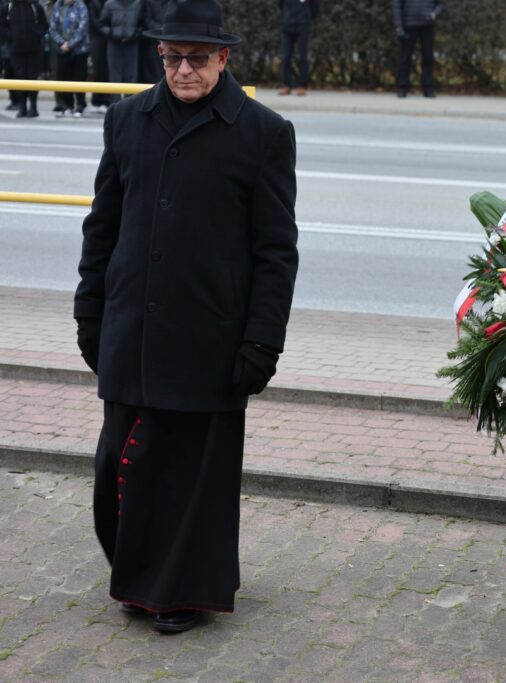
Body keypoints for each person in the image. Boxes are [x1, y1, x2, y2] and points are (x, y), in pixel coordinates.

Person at [74, 0, 299, 634]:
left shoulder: (262, 133)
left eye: (197, 59)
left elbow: (276, 253)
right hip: (130, 330)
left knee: (188, 481)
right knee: (120, 467)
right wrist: (88, 311)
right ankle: (138, 579)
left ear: (224, 59)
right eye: (172, 58)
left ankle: (180, 594)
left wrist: (262, 343)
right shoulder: (125, 121)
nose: (183, 70)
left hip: (211, 341)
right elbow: (102, 229)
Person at [0, 0, 48, 118]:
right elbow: (2, 26)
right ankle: (22, 106)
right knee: (19, 77)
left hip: (34, 50)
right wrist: (10, 36)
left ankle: (33, 106)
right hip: (16, 50)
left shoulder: (36, 7)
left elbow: (44, 25)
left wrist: (37, 34)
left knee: (32, 77)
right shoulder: (8, 8)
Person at [393, 0, 443, 98]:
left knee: (428, 57)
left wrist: (434, 14)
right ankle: (402, 88)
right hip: (409, 25)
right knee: (405, 58)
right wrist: (399, 26)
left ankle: (428, 89)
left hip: (427, 25)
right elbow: (397, 5)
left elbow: (440, 3)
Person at [48, 0, 90, 116]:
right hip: (62, 49)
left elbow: (83, 27)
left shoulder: (81, 6)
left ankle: (80, 105)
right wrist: (61, 43)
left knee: (79, 77)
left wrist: (70, 44)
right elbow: (52, 27)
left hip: (79, 50)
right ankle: (67, 105)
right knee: (64, 78)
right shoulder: (58, 5)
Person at [98, 0, 145, 102]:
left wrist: (135, 34)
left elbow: (142, 24)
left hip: (132, 44)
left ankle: (130, 104)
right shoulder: (109, 4)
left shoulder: (138, 4)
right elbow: (102, 25)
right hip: (114, 44)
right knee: (114, 76)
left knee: (132, 76)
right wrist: (112, 33)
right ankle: (115, 105)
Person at [278, 0, 318, 96]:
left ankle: (302, 85)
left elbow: (315, 7)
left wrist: (306, 18)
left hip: (303, 25)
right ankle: (286, 85)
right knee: (285, 56)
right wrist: (286, 17)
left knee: (303, 57)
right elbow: (280, 5)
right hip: (286, 25)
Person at [86, 0, 110, 111]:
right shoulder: (93, 3)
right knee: (97, 70)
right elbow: (93, 20)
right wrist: (103, 29)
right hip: (97, 38)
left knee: (108, 70)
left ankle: (106, 101)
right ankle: (96, 101)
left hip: (110, 37)